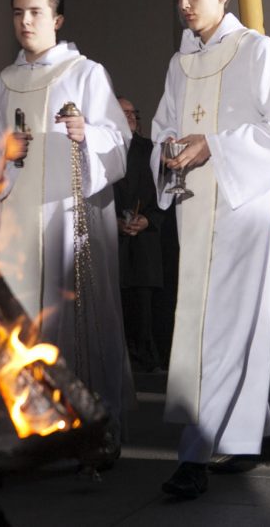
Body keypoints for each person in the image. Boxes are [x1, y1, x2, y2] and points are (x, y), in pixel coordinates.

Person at [150, 0, 270, 498]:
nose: (183, 5)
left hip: (241, 208)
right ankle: (255, 435)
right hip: (194, 210)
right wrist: (169, 152)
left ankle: (194, 455)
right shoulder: (180, 62)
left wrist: (212, 145)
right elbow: (165, 124)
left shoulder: (257, 50)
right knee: (205, 326)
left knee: (220, 329)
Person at [0, 0, 132, 458]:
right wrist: (3, 150)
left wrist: (87, 134)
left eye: (35, 12)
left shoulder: (85, 73)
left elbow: (118, 142)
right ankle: (27, 429)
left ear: (57, 18)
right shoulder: (3, 83)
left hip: (69, 220)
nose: (25, 21)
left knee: (75, 319)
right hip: (18, 224)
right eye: (18, 12)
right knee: (19, 323)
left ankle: (92, 427)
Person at [113, 97, 164, 373]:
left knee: (144, 307)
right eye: (125, 112)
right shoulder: (103, 150)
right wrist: (112, 223)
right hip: (113, 240)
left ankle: (146, 359)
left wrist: (148, 219)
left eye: (134, 112)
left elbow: (166, 191)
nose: (131, 117)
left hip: (145, 240)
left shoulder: (152, 151)